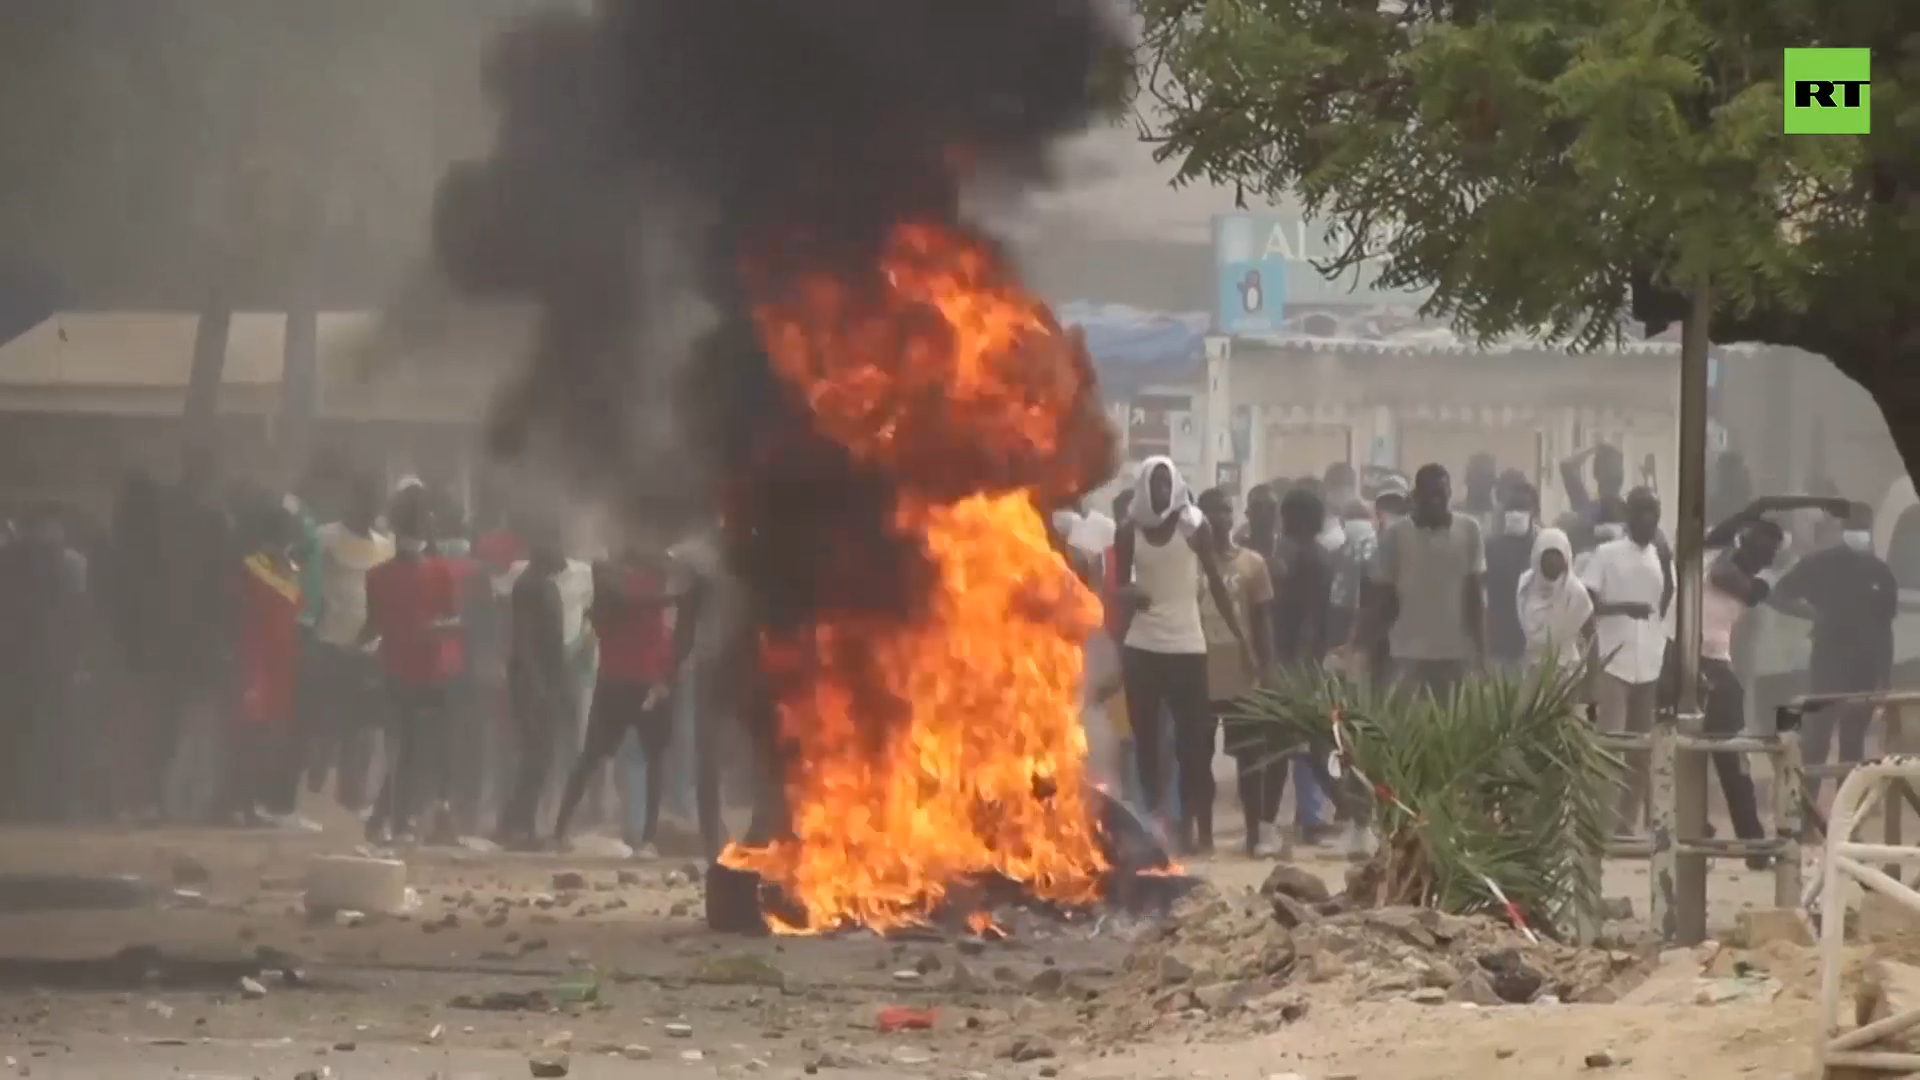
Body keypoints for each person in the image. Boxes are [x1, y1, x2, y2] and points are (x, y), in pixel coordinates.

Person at [1113, 457, 1254, 854]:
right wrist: (1128, 597)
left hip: (1188, 647)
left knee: (1194, 746)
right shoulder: (1129, 532)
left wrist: (1242, 639)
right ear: (1143, 488)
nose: (1160, 493)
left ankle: (1198, 830)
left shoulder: (1194, 526)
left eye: (1166, 484)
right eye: (1154, 485)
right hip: (1142, 648)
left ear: (1175, 487)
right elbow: (1119, 589)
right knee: (1146, 744)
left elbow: (1216, 582)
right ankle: (1155, 825)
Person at [552, 547, 687, 853]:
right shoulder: (620, 591)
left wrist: (666, 678)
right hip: (629, 683)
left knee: (608, 759)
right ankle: (565, 830)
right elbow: (633, 607)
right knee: (634, 761)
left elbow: (661, 635)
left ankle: (565, 830)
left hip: (633, 683)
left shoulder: (627, 589)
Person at [1771, 502, 1895, 807]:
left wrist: (1884, 678)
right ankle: (1805, 814)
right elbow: (1779, 594)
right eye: (1853, 528)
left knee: (1853, 746)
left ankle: (1845, 818)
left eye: (1862, 528)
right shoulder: (1821, 564)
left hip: (1864, 668)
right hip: (1828, 663)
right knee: (1815, 741)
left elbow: (1885, 629)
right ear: (1843, 530)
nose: (1858, 534)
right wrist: (1811, 614)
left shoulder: (1880, 572)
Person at [361, 487, 463, 845]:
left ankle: (387, 819)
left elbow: (371, 628)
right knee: (417, 751)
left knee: (403, 750)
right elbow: (454, 621)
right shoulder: (440, 572)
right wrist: (434, 629)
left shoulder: (376, 576)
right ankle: (400, 821)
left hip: (397, 670)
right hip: (428, 671)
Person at [1581, 486, 1671, 837]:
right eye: (1642, 511)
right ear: (1629, 514)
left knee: (1640, 750)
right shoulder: (1606, 554)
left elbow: (1667, 602)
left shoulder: (1660, 555)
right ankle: (1600, 822)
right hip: (1612, 658)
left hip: (1649, 660)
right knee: (1610, 745)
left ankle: (1625, 824)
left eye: (1654, 512)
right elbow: (1586, 605)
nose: (1648, 519)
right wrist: (1623, 609)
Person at [1356, 464, 1485, 699]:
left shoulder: (1469, 530)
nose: (1435, 502)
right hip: (1406, 651)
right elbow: (1382, 599)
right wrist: (1366, 647)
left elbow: (1474, 594)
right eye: (1429, 496)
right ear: (1415, 497)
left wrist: (1481, 651)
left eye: (1441, 495)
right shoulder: (1395, 535)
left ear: (1449, 495)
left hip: (1454, 652)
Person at [1196, 488, 1278, 857]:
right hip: (1198, 673)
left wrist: (1268, 667)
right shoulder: (1189, 563)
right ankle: (1203, 835)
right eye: (1211, 511)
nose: (1219, 518)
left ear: (1234, 516)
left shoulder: (1253, 564)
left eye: (1226, 510)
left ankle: (1254, 835)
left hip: (1243, 675)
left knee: (1250, 760)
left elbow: (1263, 622)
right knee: (1197, 759)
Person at [1696, 513, 1781, 867]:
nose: (1762, 557)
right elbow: (1718, 566)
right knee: (1682, 754)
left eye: (1768, 553)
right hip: (1680, 660)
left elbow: (1730, 580)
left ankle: (1753, 844)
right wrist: (1756, 508)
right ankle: (1699, 830)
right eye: (1758, 546)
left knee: (1733, 760)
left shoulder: (1754, 583)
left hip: (1716, 664)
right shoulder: (1716, 554)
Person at [306, 480, 395, 813]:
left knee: (363, 727)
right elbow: (310, 583)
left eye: (373, 505)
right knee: (326, 723)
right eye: (363, 502)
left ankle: (353, 795)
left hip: (369, 649)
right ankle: (315, 793)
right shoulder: (325, 537)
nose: (368, 511)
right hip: (330, 643)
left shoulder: (386, 547)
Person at [226, 500, 308, 829]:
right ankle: (237, 803)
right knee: (249, 736)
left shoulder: (287, 569)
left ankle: (255, 803)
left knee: (270, 738)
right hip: (255, 661)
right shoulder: (250, 567)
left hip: (282, 666)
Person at [498, 531, 573, 849]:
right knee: (536, 755)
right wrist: (537, 684)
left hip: (547, 681)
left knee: (542, 755)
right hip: (532, 682)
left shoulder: (545, 585)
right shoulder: (529, 586)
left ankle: (517, 823)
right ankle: (518, 825)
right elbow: (523, 640)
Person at [1516, 527, 1593, 678]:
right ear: (1537, 556)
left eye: (1558, 555)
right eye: (1548, 554)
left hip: (1566, 672)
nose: (1553, 561)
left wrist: (1592, 678)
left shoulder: (1576, 593)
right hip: (1532, 670)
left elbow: (1591, 635)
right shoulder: (1525, 585)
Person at [1484, 482, 1540, 673]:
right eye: (1512, 509)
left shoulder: (1540, 547)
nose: (1516, 514)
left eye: (1522, 509)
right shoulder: (1491, 547)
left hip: (1532, 636)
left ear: (1533, 512)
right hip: (1500, 634)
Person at [1561, 442, 1628, 528]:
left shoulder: (1585, 510)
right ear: (1622, 477)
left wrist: (1592, 449)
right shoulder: (1632, 513)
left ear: (1595, 474)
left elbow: (1566, 465)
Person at [1459, 452, 1499, 535]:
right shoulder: (1454, 517)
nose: (1483, 484)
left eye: (1487, 477)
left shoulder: (1499, 519)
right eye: (1480, 476)